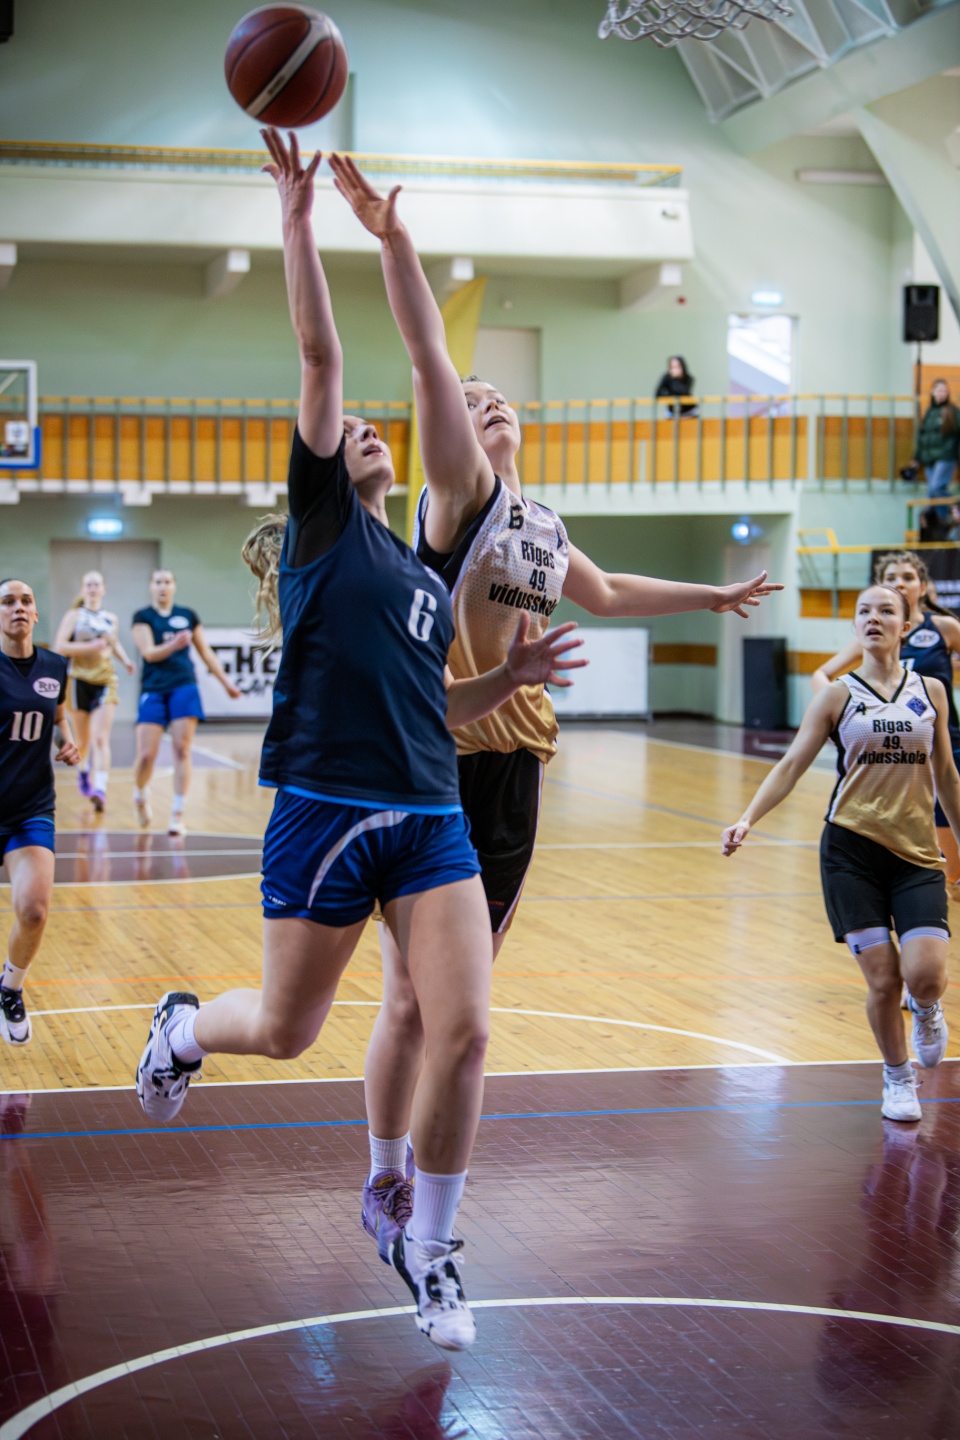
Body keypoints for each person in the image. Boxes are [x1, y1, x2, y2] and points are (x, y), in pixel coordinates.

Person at [135, 129, 584, 1353]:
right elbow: (325, 354)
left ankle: (429, 1246)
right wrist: (302, 223)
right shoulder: (327, 525)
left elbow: (434, 710)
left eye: (388, 432)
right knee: (288, 1030)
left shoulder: (430, 569)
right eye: (362, 434)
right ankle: (182, 1029)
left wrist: (504, 678)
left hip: (430, 813)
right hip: (326, 808)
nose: (379, 433)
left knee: (466, 1028)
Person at [327, 153, 782, 1259]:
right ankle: (386, 1177)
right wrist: (395, 244)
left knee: (452, 1005)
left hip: (517, 776)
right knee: (412, 1002)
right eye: (471, 399)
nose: (483, 402)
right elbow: (430, 356)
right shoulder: (460, 495)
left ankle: (415, 1189)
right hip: (435, 763)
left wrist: (715, 594)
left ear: (521, 422)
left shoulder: (544, 525)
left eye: (499, 397)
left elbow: (610, 591)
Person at [723, 583, 958, 1123]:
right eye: (864, 611)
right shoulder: (836, 695)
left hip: (917, 854)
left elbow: (946, 775)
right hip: (851, 854)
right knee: (883, 979)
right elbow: (790, 765)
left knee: (924, 975)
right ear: (855, 626)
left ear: (905, 627)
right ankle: (897, 1077)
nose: (873, 618)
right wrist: (747, 818)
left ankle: (927, 1009)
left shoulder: (932, 691)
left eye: (886, 611)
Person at [812, 551, 960, 889]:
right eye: (891, 578)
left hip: (945, 741)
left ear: (922, 585)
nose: (899, 583)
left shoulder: (944, 627)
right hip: (895, 747)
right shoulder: (872, 634)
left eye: (907, 577)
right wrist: (833, 711)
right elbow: (822, 673)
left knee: (951, 821)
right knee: (934, 854)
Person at [0, 579, 81, 1046]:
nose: (18, 607)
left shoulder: (54, 666)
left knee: (33, 911)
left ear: (35, 613)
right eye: (7, 601)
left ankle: (10, 987)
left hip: (30, 807)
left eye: (26, 601)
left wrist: (68, 740)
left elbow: (58, 713)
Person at [131, 570, 241, 835]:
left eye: (167, 582)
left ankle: (177, 814)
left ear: (174, 587)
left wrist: (227, 684)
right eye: (158, 582)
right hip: (154, 688)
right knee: (146, 755)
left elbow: (205, 653)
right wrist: (174, 645)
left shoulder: (188, 615)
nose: (162, 587)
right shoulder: (143, 617)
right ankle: (141, 794)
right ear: (151, 586)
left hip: (184, 686)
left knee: (182, 750)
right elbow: (149, 654)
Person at [53, 570, 135, 813]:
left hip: (105, 680)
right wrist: (90, 646)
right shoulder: (74, 616)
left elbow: (113, 643)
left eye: (96, 584)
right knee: (83, 741)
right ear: (83, 589)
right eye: (88, 584)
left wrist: (126, 660)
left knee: (101, 737)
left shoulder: (111, 618)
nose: (92, 588)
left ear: (103, 589)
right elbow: (59, 646)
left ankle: (100, 788)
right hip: (78, 680)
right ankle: (84, 772)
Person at [915, 379, 960, 518]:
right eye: (939, 390)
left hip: (946, 456)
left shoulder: (952, 411)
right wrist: (917, 457)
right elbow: (923, 436)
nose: (942, 393)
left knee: (937, 487)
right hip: (930, 457)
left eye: (945, 391)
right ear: (933, 392)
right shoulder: (929, 412)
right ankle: (943, 522)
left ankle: (956, 505)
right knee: (932, 494)